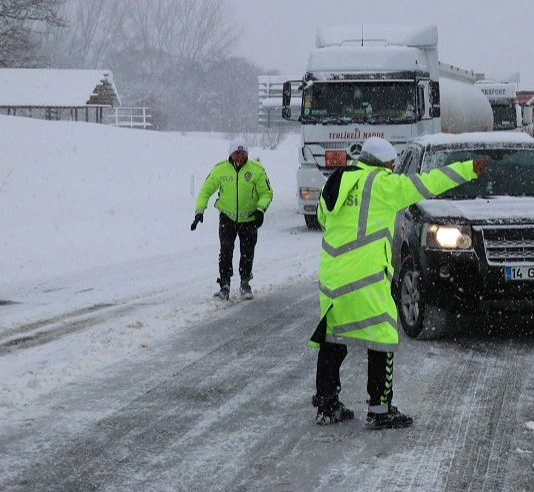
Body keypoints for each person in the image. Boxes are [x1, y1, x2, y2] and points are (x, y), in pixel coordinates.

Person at [309, 136, 488, 429]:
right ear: (383, 163)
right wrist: (469, 168)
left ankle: (327, 404)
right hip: (365, 276)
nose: (393, 169)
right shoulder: (385, 186)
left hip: (332, 274)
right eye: (391, 164)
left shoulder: (337, 180)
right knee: (383, 338)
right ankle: (380, 410)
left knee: (333, 336)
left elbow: (321, 217)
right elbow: (429, 182)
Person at [192, 137, 273, 300]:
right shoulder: (220, 169)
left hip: (249, 220)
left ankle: (245, 283)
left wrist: (260, 210)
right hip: (227, 219)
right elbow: (206, 190)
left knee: (247, 253)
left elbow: (267, 192)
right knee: (226, 252)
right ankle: (224, 285)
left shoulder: (257, 170)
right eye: (237, 152)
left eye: (243, 153)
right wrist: (199, 211)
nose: (240, 156)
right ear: (231, 153)